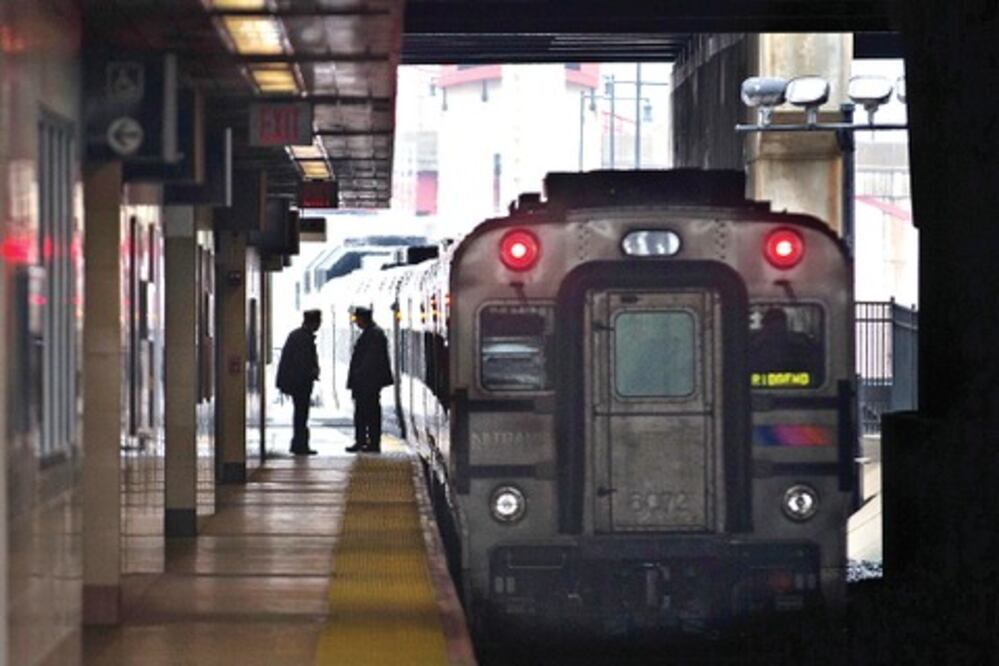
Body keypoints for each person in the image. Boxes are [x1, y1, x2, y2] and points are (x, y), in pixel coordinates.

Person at [345, 306, 394, 453]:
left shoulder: (373, 335)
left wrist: (359, 375)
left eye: (356, 319)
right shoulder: (372, 333)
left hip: (368, 383)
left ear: (363, 318)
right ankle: (365, 441)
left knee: (368, 413)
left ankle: (369, 442)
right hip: (367, 382)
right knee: (365, 412)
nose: (355, 322)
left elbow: (370, 360)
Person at [276, 309, 321, 456]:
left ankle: (298, 443)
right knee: (301, 414)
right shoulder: (303, 339)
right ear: (313, 322)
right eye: (318, 321)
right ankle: (300, 445)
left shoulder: (297, 335)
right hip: (300, 383)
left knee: (300, 414)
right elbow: (302, 364)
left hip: (296, 382)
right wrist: (312, 372)